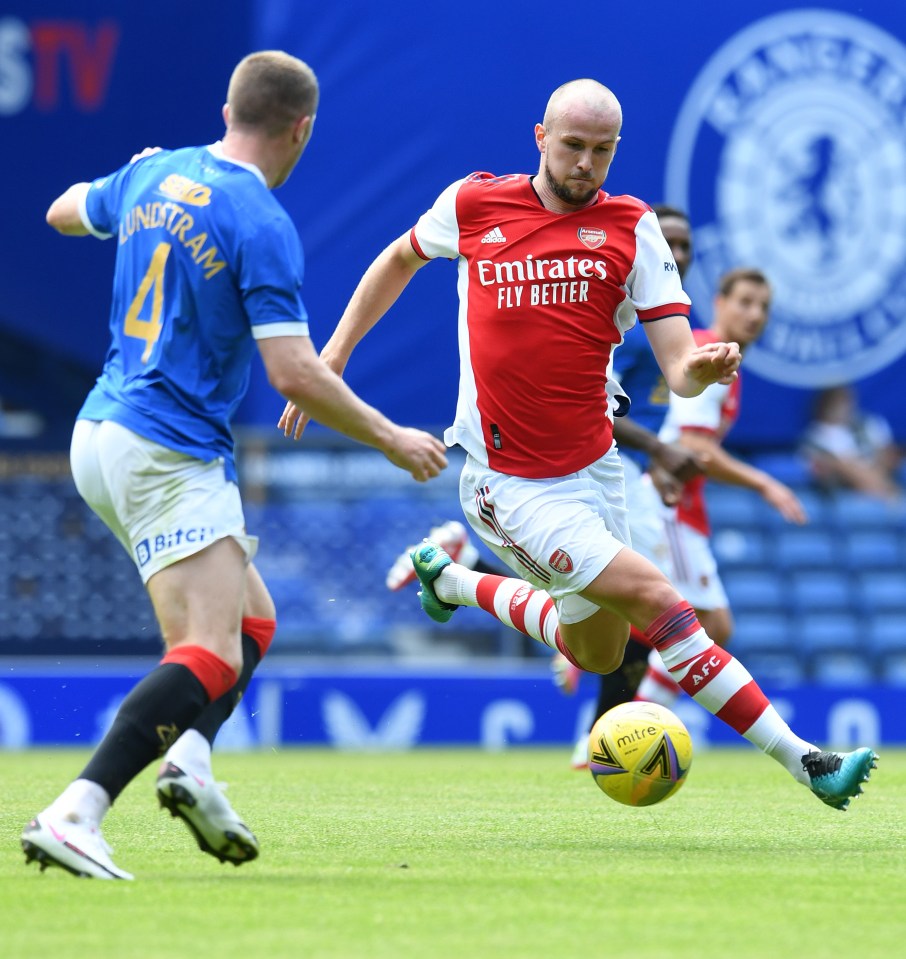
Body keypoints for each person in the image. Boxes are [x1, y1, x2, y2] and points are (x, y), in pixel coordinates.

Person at [281, 79, 877, 811]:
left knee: (599, 650)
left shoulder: (632, 227)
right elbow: (398, 259)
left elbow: (676, 367)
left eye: (602, 150)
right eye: (572, 146)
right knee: (664, 602)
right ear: (540, 137)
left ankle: (454, 582)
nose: (585, 163)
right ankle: (809, 760)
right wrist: (333, 357)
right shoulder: (474, 204)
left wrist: (702, 364)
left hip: (595, 473)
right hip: (509, 482)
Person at [22, 50, 448, 881]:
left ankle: (191, 766)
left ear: (226, 108)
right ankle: (78, 809)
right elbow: (293, 372)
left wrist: (133, 180)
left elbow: (62, 211)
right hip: (167, 448)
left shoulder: (157, 174)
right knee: (210, 652)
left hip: (99, 434)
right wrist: (392, 436)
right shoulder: (261, 221)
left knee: (251, 623)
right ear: (303, 129)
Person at [384, 205, 705, 768]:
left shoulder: (677, 320)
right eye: (670, 241)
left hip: (630, 473)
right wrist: (655, 452)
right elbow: (597, 396)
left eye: (686, 246)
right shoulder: (626, 305)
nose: (676, 253)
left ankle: (468, 576)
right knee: (654, 607)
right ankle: (606, 734)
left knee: (625, 622)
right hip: (605, 464)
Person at [633, 268, 808, 707]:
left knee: (693, 623)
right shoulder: (711, 357)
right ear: (720, 302)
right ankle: (639, 722)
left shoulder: (720, 361)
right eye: (745, 302)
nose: (755, 314)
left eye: (764, 307)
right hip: (666, 500)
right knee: (710, 621)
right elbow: (694, 446)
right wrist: (764, 482)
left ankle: (635, 720)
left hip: (679, 501)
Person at [800, 384, 902, 501]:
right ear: (825, 405)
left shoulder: (868, 424)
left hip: (878, 471)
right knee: (843, 464)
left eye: (846, 400)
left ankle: (882, 490)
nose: (842, 407)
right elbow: (821, 464)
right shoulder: (814, 436)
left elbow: (888, 453)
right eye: (836, 402)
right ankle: (886, 492)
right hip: (844, 483)